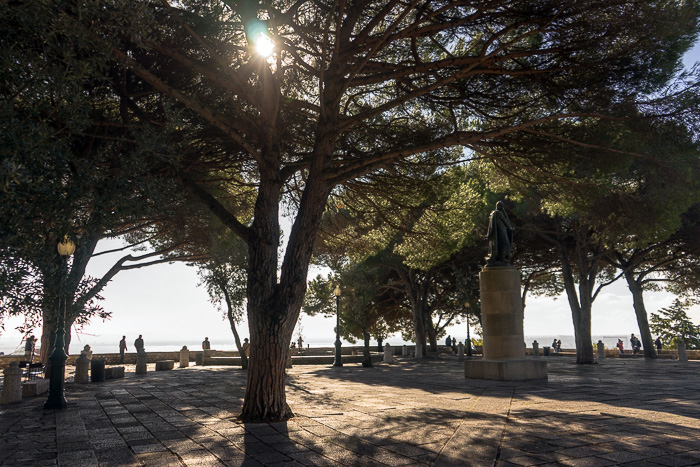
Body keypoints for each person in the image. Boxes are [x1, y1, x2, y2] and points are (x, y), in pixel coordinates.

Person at [486, 201, 514, 265]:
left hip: (501, 231)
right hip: (501, 231)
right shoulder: (498, 213)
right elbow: (505, 221)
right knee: (506, 244)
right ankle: (502, 257)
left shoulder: (494, 213)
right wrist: (510, 227)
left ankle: (502, 257)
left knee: (502, 245)